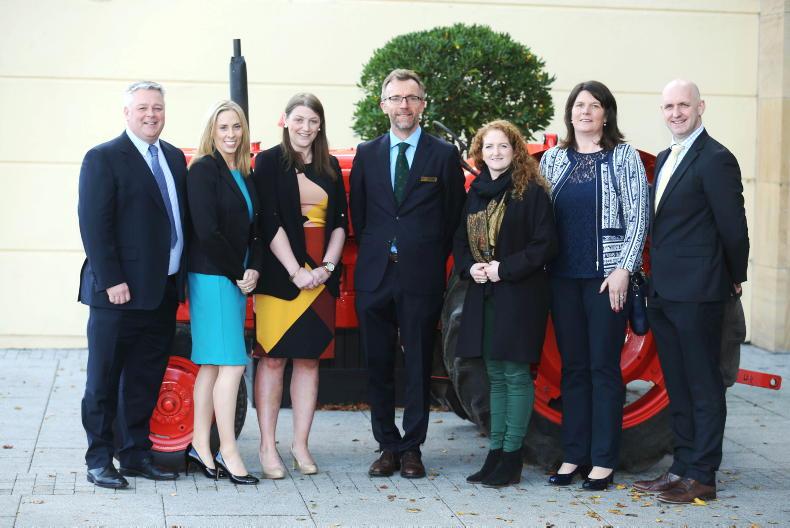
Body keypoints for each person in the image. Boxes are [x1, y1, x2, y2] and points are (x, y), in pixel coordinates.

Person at [634, 80, 749, 504]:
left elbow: (733, 227)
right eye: (669, 106)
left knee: (704, 386)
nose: (676, 113)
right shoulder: (666, 157)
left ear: (701, 107)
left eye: (684, 104)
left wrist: (734, 275)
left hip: (700, 292)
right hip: (665, 293)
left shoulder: (716, 158)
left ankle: (703, 476)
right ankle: (681, 467)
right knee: (678, 386)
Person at [349, 69, 466, 479]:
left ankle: (412, 448)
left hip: (421, 275)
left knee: (417, 364)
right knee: (377, 364)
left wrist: (424, 250)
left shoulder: (443, 155)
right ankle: (387, 446)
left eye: (412, 98)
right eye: (396, 98)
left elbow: (453, 216)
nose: (404, 105)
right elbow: (360, 213)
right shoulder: (367, 153)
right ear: (383, 105)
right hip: (375, 275)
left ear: (422, 105)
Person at [540, 81, 648, 491]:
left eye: (594, 105)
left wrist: (624, 268)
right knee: (573, 370)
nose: (585, 111)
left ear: (606, 114)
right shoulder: (553, 159)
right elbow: (540, 216)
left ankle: (603, 460)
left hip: (606, 281)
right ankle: (573, 455)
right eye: (579, 105)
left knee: (603, 368)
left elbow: (638, 216)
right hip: (562, 279)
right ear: (569, 113)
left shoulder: (623, 156)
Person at [77, 81, 185, 488]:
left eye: (157, 107)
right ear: (127, 113)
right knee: (103, 380)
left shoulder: (173, 156)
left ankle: (135, 455)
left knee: (144, 378)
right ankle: (98, 459)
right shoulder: (103, 158)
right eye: (142, 108)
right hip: (117, 294)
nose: (151, 115)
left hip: (162, 290)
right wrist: (112, 280)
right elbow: (94, 225)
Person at [453, 120, 557, 488]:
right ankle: (496, 452)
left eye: (503, 146)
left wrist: (503, 269)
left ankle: (512, 457)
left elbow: (545, 245)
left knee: (514, 374)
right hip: (485, 293)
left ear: (515, 151)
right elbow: (460, 242)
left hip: (519, 293)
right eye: (489, 147)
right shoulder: (476, 192)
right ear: (480, 154)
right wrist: (472, 267)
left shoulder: (531, 192)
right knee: (495, 376)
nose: (495, 152)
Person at [252, 93, 347, 478]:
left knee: (309, 360)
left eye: (312, 121)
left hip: (320, 278)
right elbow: (268, 221)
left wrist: (326, 268)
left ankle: (300, 445)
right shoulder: (268, 162)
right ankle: (266, 446)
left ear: (320, 125)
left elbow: (339, 223)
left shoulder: (330, 165)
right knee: (273, 359)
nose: (305, 127)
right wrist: (296, 271)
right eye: (299, 120)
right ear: (285, 120)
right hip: (281, 275)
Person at [184, 100, 261, 485]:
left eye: (236, 127)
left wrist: (253, 268)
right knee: (232, 363)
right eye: (223, 127)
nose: (231, 134)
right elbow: (207, 231)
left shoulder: (244, 171)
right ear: (212, 132)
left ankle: (200, 444)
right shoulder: (203, 170)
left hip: (236, 276)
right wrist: (238, 272)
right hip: (214, 276)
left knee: (212, 365)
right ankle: (227, 450)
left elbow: (256, 229)